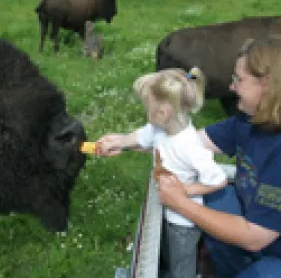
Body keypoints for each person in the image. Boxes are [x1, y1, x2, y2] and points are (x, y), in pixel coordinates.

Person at [156, 34, 281, 278]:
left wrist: (180, 202)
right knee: (214, 199)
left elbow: (255, 237)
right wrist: (126, 142)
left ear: (266, 84)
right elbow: (187, 143)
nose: (231, 87)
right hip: (268, 230)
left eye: (239, 79)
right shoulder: (252, 119)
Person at [97, 67, 228, 278]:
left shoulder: (189, 146)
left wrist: (184, 191)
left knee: (181, 266)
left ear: (164, 113)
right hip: (166, 209)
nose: (146, 115)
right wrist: (119, 141)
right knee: (167, 257)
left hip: (184, 222)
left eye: (148, 110)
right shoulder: (162, 129)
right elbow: (142, 136)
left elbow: (218, 180)